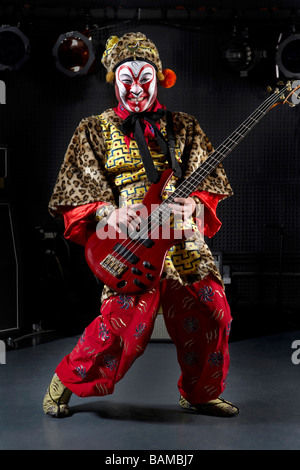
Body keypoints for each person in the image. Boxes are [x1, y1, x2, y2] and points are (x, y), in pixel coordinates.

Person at [43, 32, 239, 418]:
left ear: (161, 77)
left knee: (212, 309)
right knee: (123, 323)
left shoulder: (184, 126)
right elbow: (74, 189)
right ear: (113, 81)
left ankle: (200, 393)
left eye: (145, 78)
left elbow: (211, 181)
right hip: (130, 240)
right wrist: (107, 213)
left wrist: (195, 206)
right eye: (126, 79)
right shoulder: (93, 129)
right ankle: (64, 382)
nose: (136, 89)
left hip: (180, 236)